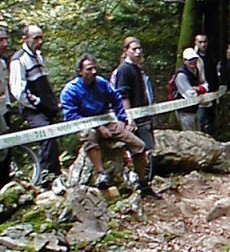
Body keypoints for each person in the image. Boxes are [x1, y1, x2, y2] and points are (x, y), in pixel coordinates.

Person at [60, 53, 157, 196]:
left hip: (106, 120)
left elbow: (117, 98)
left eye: (94, 68)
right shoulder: (70, 90)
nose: (93, 72)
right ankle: (100, 173)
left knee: (139, 145)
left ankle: (143, 182)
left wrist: (120, 119)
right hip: (84, 124)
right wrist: (98, 127)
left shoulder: (101, 83)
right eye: (89, 69)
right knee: (89, 134)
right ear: (80, 71)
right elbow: (71, 116)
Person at [9, 25, 62, 186]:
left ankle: (55, 174)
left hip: (46, 107)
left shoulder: (38, 55)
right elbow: (18, 91)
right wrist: (38, 104)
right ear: (25, 39)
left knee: (52, 139)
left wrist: (52, 104)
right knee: (47, 136)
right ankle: (46, 176)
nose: (40, 42)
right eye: (36, 38)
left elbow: (44, 84)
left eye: (41, 38)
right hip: (32, 109)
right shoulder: (19, 60)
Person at [114, 36, 155, 156]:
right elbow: (123, 95)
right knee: (140, 151)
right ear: (126, 50)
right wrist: (129, 118)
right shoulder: (124, 70)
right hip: (135, 120)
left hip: (144, 116)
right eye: (134, 49)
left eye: (139, 49)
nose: (138, 52)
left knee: (149, 150)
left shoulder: (137, 68)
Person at [175, 48, 209, 131]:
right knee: (189, 135)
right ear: (184, 61)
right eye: (190, 60)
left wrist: (198, 89)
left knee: (198, 132)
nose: (193, 62)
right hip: (185, 111)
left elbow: (206, 85)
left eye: (194, 59)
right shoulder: (181, 76)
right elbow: (189, 94)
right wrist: (200, 90)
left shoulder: (196, 71)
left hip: (195, 109)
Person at [194, 34, 219, 137]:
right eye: (200, 42)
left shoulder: (211, 56)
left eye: (205, 42)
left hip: (213, 91)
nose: (203, 44)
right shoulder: (195, 58)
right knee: (201, 120)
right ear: (196, 43)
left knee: (212, 118)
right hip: (201, 93)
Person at [0, 28, 10, 186]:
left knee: (6, 149)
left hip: (3, 110)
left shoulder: (2, 62)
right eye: (1, 40)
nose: (5, 44)